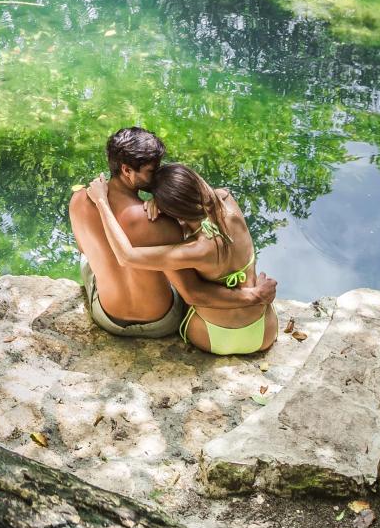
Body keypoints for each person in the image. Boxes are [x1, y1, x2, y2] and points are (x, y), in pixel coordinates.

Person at [68, 127, 270, 339]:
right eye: (151, 171)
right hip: (161, 323)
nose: (158, 176)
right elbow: (191, 291)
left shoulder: (80, 200)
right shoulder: (161, 222)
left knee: (89, 255)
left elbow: (84, 249)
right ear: (127, 170)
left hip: (107, 317)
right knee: (175, 269)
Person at [83, 162, 278, 356]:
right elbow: (204, 202)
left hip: (212, 337)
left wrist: (102, 202)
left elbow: (126, 256)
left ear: (173, 211)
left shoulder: (196, 250)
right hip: (263, 332)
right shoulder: (228, 201)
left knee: (176, 278)